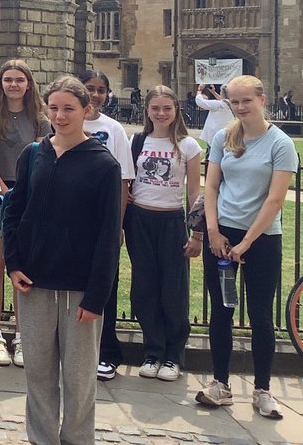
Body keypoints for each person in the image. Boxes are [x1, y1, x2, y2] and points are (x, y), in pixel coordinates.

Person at [2, 76, 121, 445]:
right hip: (34, 281)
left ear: (86, 111)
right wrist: (13, 263)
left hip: (79, 288)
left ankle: (76, 439)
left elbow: (108, 235)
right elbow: (13, 211)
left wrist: (97, 296)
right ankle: (42, 439)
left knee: (79, 377)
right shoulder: (33, 154)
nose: (60, 115)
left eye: (68, 108)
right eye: (54, 108)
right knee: (38, 373)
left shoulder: (104, 165)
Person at [196, 75, 297, 419]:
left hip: (262, 238)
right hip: (223, 234)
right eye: (234, 102)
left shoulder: (280, 143)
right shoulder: (225, 137)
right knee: (221, 312)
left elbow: (275, 200)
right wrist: (212, 231)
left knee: (260, 315)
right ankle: (220, 383)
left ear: (262, 99)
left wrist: (247, 242)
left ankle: (263, 389)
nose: (240, 107)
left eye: (246, 101)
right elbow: (210, 187)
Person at [128, 85, 202, 382]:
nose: (161, 113)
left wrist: (196, 233)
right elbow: (126, 180)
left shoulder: (188, 146)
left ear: (176, 111)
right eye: (155, 108)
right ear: (147, 110)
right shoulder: (137, 141)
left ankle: (173, 355)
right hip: (140, 220)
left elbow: (195, 193)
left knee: (173, 290)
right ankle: (152, 351)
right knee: (145, 288)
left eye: (167, 108)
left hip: (172, 222)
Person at [0, 59, 51, 367]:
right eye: (8, 79)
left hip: (29, 194)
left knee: (24, 270)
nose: (13, 85)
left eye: (19, 80)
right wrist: (0, 189)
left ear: (28, 83)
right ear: (1, 83)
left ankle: (24, 337)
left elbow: (41, 157)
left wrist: (20, 191)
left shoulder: (40, 118)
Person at [79, 69, 136, 381]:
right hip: (72, 220)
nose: (95, 94)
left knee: (105, 286)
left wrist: (118, 224)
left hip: (103, 219)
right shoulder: (65, 120)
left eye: (101, 89)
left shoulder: (113, 130)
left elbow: (124, 180)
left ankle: (107, 352)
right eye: (90, 88)